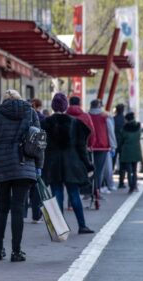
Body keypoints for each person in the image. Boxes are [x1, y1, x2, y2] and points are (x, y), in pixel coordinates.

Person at [0, 89, 42, 262]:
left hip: (0, 165)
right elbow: (39, 141)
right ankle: (16, 251)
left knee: (2, 208)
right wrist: (38, 166)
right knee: (18, 208)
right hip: (24, 165)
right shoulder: (31, 113)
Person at [42, 93, 95, 234]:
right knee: (74, 194)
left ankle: (60, 228)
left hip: (53, 164)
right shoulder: (75, 123)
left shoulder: (45, 123)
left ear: (53, 106)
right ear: (65, 106)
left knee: (56, 194)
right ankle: (82, 225)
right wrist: (88, 165)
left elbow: (41, 147)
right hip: (72, 163)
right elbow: (81, 148)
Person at [23, 98, 45, 223]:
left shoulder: (17, 119)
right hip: (34, 158)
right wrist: (40, 165)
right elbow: (41, 144)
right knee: (35, 189)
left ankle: (22, 213)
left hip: (21, 160)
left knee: (23, 189)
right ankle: (36, 215)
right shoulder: (40, 119)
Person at [89, 99, 115, 199]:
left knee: (90, 170)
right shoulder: (105, 116)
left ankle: (89, 191)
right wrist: (113, 146)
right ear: (99, 106)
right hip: (102, 147)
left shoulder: (87, 115)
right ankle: (97, 191)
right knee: (99, 171)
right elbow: (110, 132)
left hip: (90, 147)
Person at [118, 112, 142, 193]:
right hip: (136, 150)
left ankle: (131, 186)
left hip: (127, 151)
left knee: (129, 170)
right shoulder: (138, 127)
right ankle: (134, 185)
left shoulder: (124, 128)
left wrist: (119, 148)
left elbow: (121, 140)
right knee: (134, 170)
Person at [113, 104, 126, 188]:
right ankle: (121, 182)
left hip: (114, 143)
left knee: (111, 163)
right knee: (122, 164)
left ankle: (108, 182)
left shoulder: (113, 119)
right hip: (123, 144)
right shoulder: (125, 120)